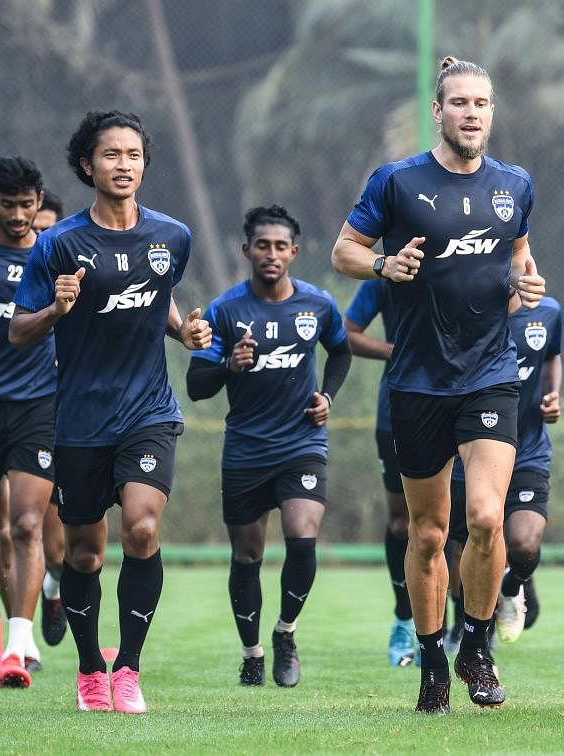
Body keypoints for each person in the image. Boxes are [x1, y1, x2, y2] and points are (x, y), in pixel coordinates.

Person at [331, 57, 544, 714]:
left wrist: (526, 286)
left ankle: (475, 646)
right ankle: (431, 661)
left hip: (488, 375)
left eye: (482, 103)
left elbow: (518, 264)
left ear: (491, 112)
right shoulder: (397, 181)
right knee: (427, 533)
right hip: (418, 382)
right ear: (438, 111)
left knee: (485, 517)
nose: (472, 113)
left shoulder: (515, 185)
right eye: (460, 103)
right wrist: (383, 264)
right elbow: (343, 251)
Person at [9, 110, 212, 713]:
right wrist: (55, 311)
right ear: (86, 165)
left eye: (133, 155)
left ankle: (128, 668)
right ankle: (91, 668)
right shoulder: (59, 243)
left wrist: (186, 333)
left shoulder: (172, 236)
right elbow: (19, 330)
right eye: (111, 155)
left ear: (145, 164)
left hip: (148, 409)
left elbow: (161, 300)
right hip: (79, 419)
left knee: (144, 528)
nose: (124, 165)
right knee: (83, 553)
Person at [187, 205, 351, 687]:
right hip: (245, 450)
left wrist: (327, 396)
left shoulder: (318, 305)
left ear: (294, 252)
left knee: (303, 538)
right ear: (247, 251)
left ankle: (285, 632)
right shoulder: (225, 310)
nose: (272, 254)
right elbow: (198, 385)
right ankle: (252, 652)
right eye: (263, 245)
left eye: (281, 246)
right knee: (247, 557)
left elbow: (340, 350)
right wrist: (229, 367)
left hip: (302, 443)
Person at [0, 156, 57, 687]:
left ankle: (19, 648)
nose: (21, 215)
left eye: (28, 205)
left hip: (38, 403)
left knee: (27, 525)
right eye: (10, 206)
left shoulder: (55, 255)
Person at [447, 289, 561, 645]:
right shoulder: (466, 309)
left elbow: (551, 357)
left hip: (527, 450)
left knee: (524, 544)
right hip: (472, 452)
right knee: (466, 542)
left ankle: (512, 586)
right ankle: (468, 631)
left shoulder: (548, 312)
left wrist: (551, 393)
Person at [344, 279, 418, 667]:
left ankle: (462, 629)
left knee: (460, 523)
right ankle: (405, 620)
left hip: (460, 404)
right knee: (402, 524)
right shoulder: (387, 273)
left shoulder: (466, 259)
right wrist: (397, 350)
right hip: (397, 409)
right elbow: (349, 332)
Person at [31, 188, 69, 649]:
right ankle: (18, 643)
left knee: (58, 550)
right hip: (14, 415)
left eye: (48, 231)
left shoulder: (82, 276)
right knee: (10, 526)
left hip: (69, 416)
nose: (38, 237)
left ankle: (53, 588)